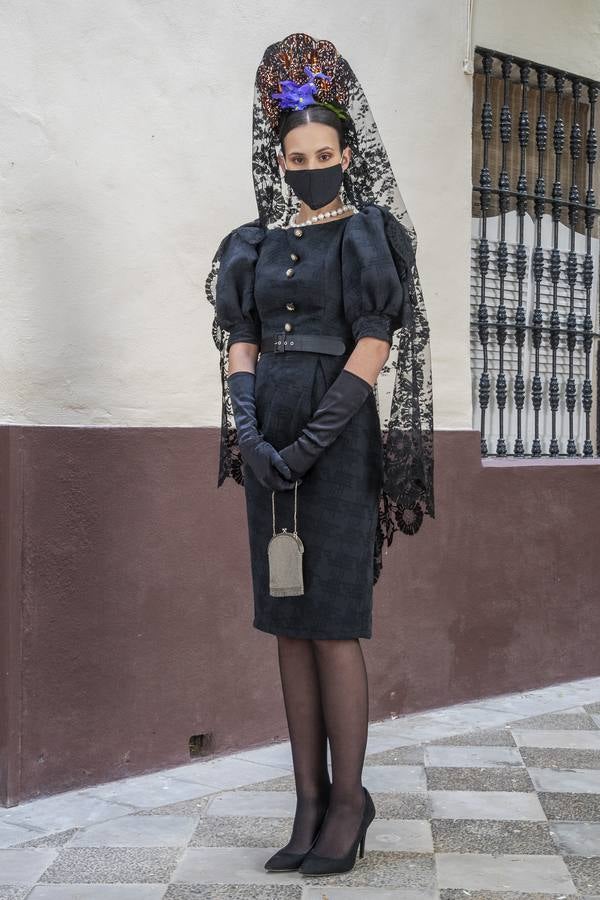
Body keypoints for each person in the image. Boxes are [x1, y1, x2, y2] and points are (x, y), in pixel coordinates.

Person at [205, 32, 435, 878]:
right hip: (269, 450)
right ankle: (305, 799)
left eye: (323, 153)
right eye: (295, 155)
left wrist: (308, 441)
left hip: (336, 449)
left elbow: (373, 345)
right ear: (281, 160)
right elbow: (244, 339)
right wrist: (251, 431)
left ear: (346, 155)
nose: (309, 166)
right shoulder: (252, 244)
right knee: (285, 623)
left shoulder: (370, 238)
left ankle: (349, 804)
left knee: (333, 624)